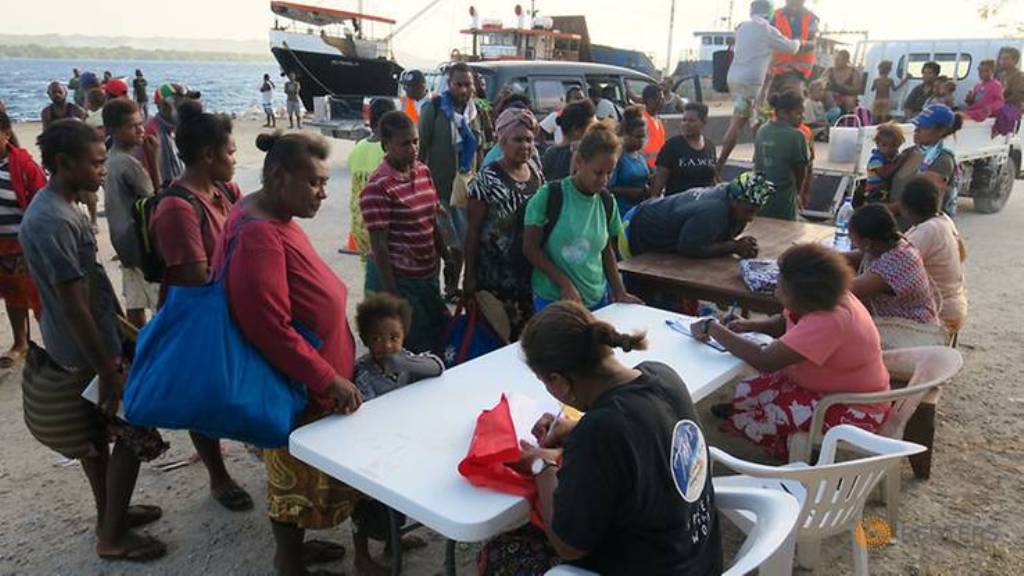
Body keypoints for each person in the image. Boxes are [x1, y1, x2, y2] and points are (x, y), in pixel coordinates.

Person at [212, 130, 364, 576]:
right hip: (296, 385)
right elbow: (269, 328)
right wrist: (327, 378)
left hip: (306, 377)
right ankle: (289, 564)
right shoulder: (259, 233)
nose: (322, 192)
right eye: (314, 182)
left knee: (300, 475)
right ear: (278, 176)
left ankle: (295, 552)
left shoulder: (269, 213)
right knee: (290, 477)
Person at [19, 119, 168, 562]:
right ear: (64, 163)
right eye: (96, 161)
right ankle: (111, 537)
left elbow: (94, 286)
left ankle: (111, 513)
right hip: (86, 352)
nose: (103, 168)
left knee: (97, 435)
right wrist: (108, 368)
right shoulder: (51, 220)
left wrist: (121, 330)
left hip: (95, 343)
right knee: (132, 431)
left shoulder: (67, 208)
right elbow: (73, 304)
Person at [482, 301, 722, 575]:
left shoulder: (601, 433)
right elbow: (643, 430)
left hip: (655, 566)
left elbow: (569, 546)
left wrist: (541, 467)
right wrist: (575, 429)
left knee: (499, 554)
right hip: (699, 560)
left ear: (559, 381)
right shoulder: (662, 375)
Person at [148, 102, 252, 513]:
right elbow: (194, 276)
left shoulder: (225, 190)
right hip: (198, 314)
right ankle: (218, 475)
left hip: (232, 304)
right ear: (208, 155)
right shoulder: (177, 207)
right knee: (204, 394)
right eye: (229, 151)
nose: (234, 158)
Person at [695, 243, 890, 459]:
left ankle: (806, 452)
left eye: (781, 288)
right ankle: (752, 414)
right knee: (752, 391)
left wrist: (711, 327)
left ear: (801, 295)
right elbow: (784, 321)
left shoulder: (830, 320)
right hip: (828, 385)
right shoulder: (826, 296)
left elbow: (764, 360)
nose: (777, 291)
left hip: (848, 404)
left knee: (761, 416)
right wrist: (751, 325)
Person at [524, 123, 642, 312]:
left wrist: (620, 291)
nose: (604, 179)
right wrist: (564, 284)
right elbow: (530, 249)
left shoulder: (606, 201)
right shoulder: (550, 196)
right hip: (555, 300)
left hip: (597, 298)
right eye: (598, 172)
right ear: (579, 161)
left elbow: (606, 251)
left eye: (609, 173)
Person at [362, 111, 450, 355]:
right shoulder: (378, 187)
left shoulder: (423, 172)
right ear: (386, 145)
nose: (412, 148)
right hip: (401, 279)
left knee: (441, 332)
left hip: (427, 273)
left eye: (415, 141)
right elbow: (379, 246)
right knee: (417, 344)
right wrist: (393, 295)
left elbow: (431, 220)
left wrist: (447, 256)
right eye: (404, 144)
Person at [464, 107, 544, 338]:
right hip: (494, 279)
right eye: (518, 140)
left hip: (528, 276)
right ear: (502, 140)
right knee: (497, 339)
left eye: (529, 140)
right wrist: (469, 279)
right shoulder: (486, 179)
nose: (525, 146)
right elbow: (472, 232)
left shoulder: (537, 174)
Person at [419, 62, 482, 301]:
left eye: (468, 84)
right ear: (449, 84)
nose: (464, 90)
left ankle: (452, 288)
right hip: (438, 190)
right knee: (439, 246)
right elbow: (421, 148)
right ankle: (432, 293)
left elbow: (480, 149)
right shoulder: (433, 109)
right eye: (459, 84)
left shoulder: (476, 113)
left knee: (462, 246)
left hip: (465, 192)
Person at [718, 0, 803, 172]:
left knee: (746, 122)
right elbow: (791, 48)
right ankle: (749, 168)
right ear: (769, 12)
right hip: (753, 84)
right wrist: (800, 41)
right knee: (750, 124)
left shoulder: (742, 27)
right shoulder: (767, 30)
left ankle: (735, 164)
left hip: (736, 80)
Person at [102, 99, 161, 329]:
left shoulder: (109, 158)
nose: (140, 129)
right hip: (142, 247)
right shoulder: (129, 164)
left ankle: (139, 349)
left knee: (135, 304)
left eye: (140, 123)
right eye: (132, 126)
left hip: (123, 244)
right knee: (159, 305)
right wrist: (154, 160)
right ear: (114, 131)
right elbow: (155, 201)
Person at [620, 171, 773, 260]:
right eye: (749, 211)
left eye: (756, 211)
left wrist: (738, 245)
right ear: (735, 201)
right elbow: (689, 248)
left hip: (652, 219)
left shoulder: (730, 194)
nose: (751, 218)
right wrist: (733, 247)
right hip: (634, 228)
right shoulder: (714, 210)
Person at [0, 108, 45, 368]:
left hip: (24, 244)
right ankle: (21, 342)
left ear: (6, 134)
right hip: (1, 246)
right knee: (12, 295)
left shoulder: (24, 165)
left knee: (38, 296)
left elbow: (41, 202)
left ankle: (53, 344)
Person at [846, 204, 939, 327]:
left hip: (912, 330)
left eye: (853, 239)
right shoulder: (893, 245)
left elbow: (848, 290)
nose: (852, 242)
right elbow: (851, 257)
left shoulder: (894, 265)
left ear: (867, 243)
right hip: (901, 321)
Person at [901, 176, 968, 334]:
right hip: (955, 305)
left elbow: (893, 265)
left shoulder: (927, 231)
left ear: (905, 207)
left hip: (940, 313)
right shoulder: (942, 220)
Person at [888, 103, 963, 217]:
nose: (917, 130)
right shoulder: (908, 152)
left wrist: (884, 211)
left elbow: (924, 203)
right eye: (917, 125)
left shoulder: (942, 160)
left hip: (920, 231)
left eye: (924, 127)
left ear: (941, 131)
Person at [347, 98, 396, 262]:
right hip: (383, 228)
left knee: (370, 273)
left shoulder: (358, 147)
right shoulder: (391, 152)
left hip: (360, 224)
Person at [754, 91, 809, 220]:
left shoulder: (762, 130)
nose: (802, 117)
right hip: (783, 198)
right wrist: (798, 193)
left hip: (760, 196)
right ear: (783, 113)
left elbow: (757, 162)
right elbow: (801, 169)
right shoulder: (797, 135)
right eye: (798, 113)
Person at [651, 102, 717, 197]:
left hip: (704, 205)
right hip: (677, 206)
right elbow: (659, 180)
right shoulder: (672, 146)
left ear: (704, 122)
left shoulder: (709, 146)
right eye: (684, 120)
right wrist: (653, 204)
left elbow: (712, 178)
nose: (686, 124)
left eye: (692, 120)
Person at [769, 0, 820, 94]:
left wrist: (802, 44)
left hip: (797, 70)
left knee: (791, 97)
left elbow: (813, 43)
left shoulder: (811, 18)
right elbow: (768, 37)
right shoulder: (776, 15)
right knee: (767, 102)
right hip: (775, 69)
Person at [143, 83, 188, 190]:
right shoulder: (152, 130)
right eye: (178, 102)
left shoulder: (174, 128)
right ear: (165, 105)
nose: (182, 107)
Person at [608, 106, 650, 214]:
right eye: (638, 137)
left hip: (639, 210)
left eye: (643, 137)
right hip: (621, 211)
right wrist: (630, 192)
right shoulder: (618, 156)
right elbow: (606, 187)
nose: (641, 141)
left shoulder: (640, 157)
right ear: (625, 135)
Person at [863, 123, 905, 204]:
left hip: (886, 191)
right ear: (877, 144)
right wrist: (899, 163)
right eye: (884, 145)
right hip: (875, 193)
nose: (888, 149)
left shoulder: (892, 157)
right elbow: (884, 175)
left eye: (893, 146)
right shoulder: (876, 159)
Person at [995, 46, 1024, 135]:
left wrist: (999, 103)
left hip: (1011, 109)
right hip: (998, 106)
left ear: (1015, 61)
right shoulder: (999, 75)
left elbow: (1017, 96)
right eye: (1001, 58)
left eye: (1006, 59)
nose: (1002, 61)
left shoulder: (1018, 76)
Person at [640, 84, 666, 169]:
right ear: (650, 100)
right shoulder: (642, 120)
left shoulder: (657, 119)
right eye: (661, 99)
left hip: (657, 166)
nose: (663, 102)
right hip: (647, 168)